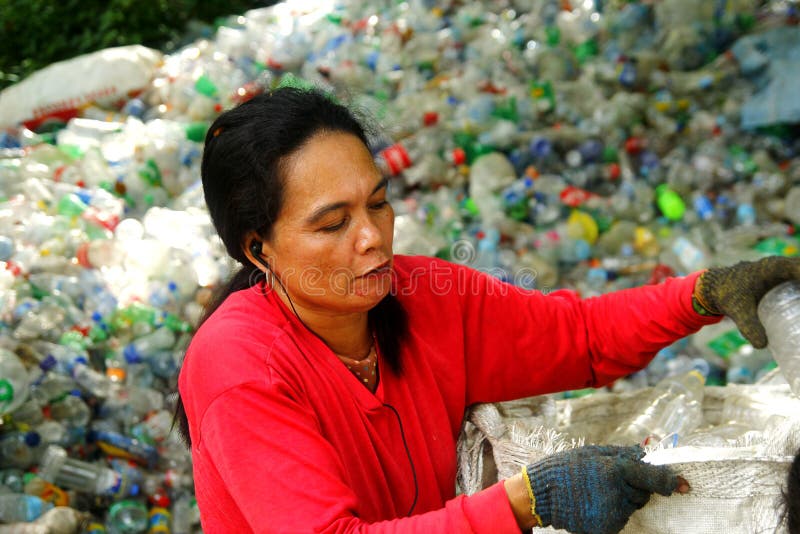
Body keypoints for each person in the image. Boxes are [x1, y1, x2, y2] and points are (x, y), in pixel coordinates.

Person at [175, 86, 800, 533]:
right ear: (259, 249)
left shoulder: (420, 297)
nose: (372, 237)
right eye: (333, 223)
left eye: (379, 202)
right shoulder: (238, 366)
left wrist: (704, 293)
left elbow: (578, 338)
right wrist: (529, 500)